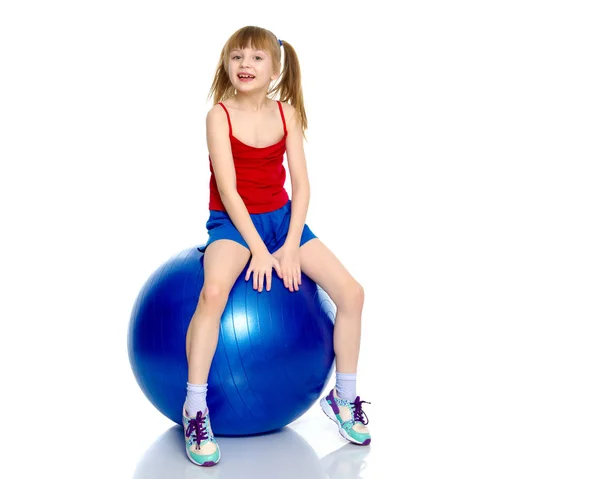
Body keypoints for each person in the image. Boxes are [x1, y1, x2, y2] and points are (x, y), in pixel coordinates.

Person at [182, 25, 371, 467]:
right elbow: (229, 192)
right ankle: (196, 407)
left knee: (353, 293)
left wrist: (288, 247)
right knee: (212, 294)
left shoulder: (286, 113)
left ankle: (344, 398)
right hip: (232, 223)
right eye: (237, 57)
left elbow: (302, 186)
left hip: (283, 222)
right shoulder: (219, 116)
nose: (245, 65)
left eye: (256, 58)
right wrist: (259, 250)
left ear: (275, 69)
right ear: (226, 66)